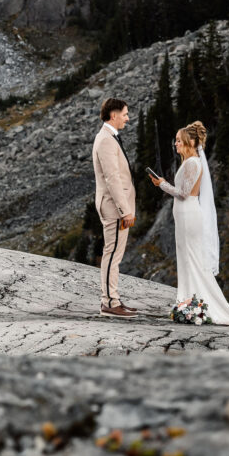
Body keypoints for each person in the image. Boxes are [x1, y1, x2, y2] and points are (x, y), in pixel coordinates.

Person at [149, 121, 229, 327]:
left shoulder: (193, 163)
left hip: (189, 214)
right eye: (175, 141)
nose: (175, 144)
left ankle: (197, 304)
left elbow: (183, 193)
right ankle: (189, 301)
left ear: (190, 141)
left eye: (178, 140)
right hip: (184, 216)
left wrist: (162, 184)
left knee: (192, 259)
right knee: (186, 259)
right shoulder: (190, 162)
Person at [92, 97, 138, 319]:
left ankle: (113, 299)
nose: (127, 118)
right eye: (125, 114)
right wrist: (125, 210)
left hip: (113, 205)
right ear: (114, 115)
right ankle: (109, 302)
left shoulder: (108, 137)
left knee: (114, 254)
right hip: (114, 207)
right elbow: (112, 179)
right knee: (112, 254)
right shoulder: (106, 141)